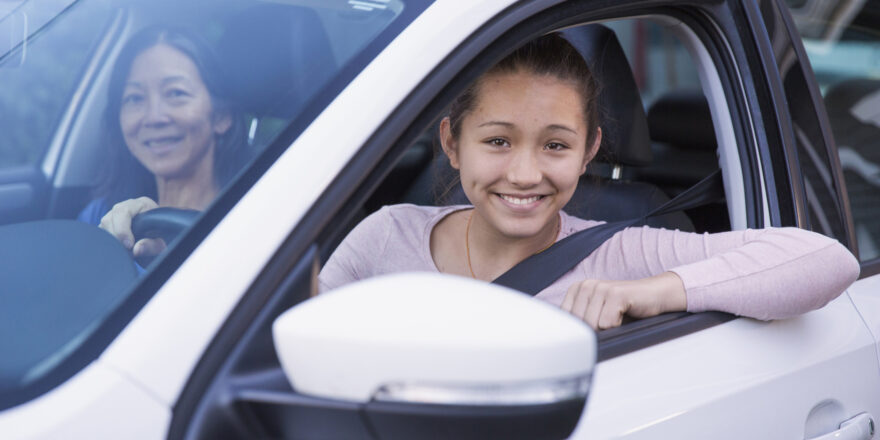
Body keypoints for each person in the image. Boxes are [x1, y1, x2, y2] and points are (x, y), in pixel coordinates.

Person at [318, 33, 860, 330]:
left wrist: (651, 294)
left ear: (589, 152)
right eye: (498, 141)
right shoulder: (386, 236)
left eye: (555, 145)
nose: (526, 175)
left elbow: (824, 259)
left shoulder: (618, 255)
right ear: (452, 144)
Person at [78, 27, 248, 261]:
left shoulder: (254, 218)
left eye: (176, 93)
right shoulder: (102, 216)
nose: (154, 117)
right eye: (135, 98)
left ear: (221, 116)